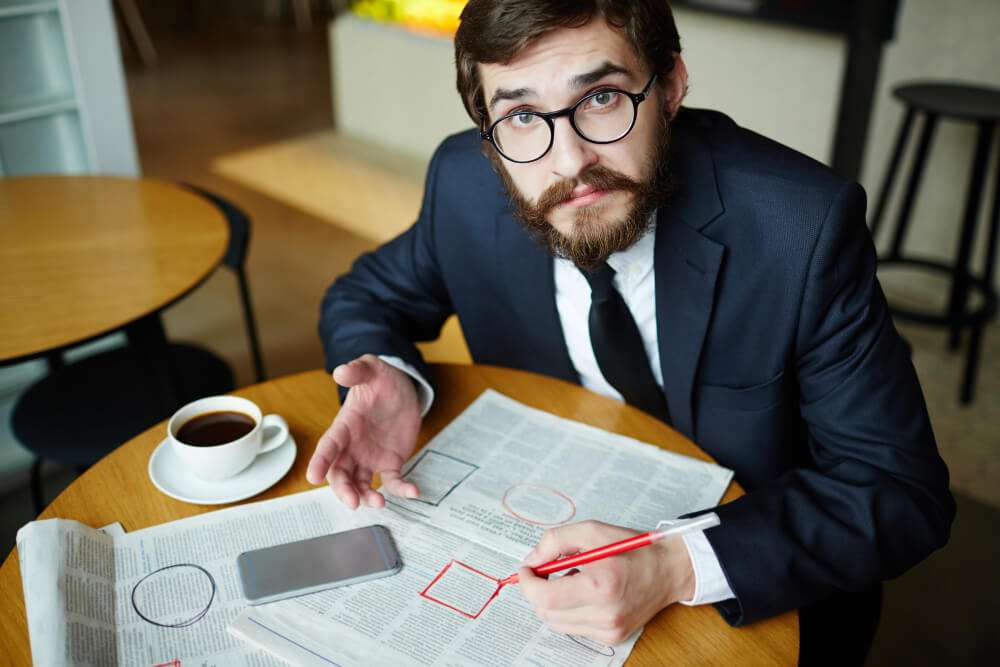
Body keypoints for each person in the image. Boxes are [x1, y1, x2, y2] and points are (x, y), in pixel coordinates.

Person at [308, 0, 954, 661]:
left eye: (603, 98)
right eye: (522, 115)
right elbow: (364, 295)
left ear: (670, 87)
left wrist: (675, 564)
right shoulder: (467, 183)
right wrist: (392, 373)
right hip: (548, 552)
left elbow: (899, 490)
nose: (569, 161)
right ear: (486, 126)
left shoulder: (800, 227)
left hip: (757, 596)